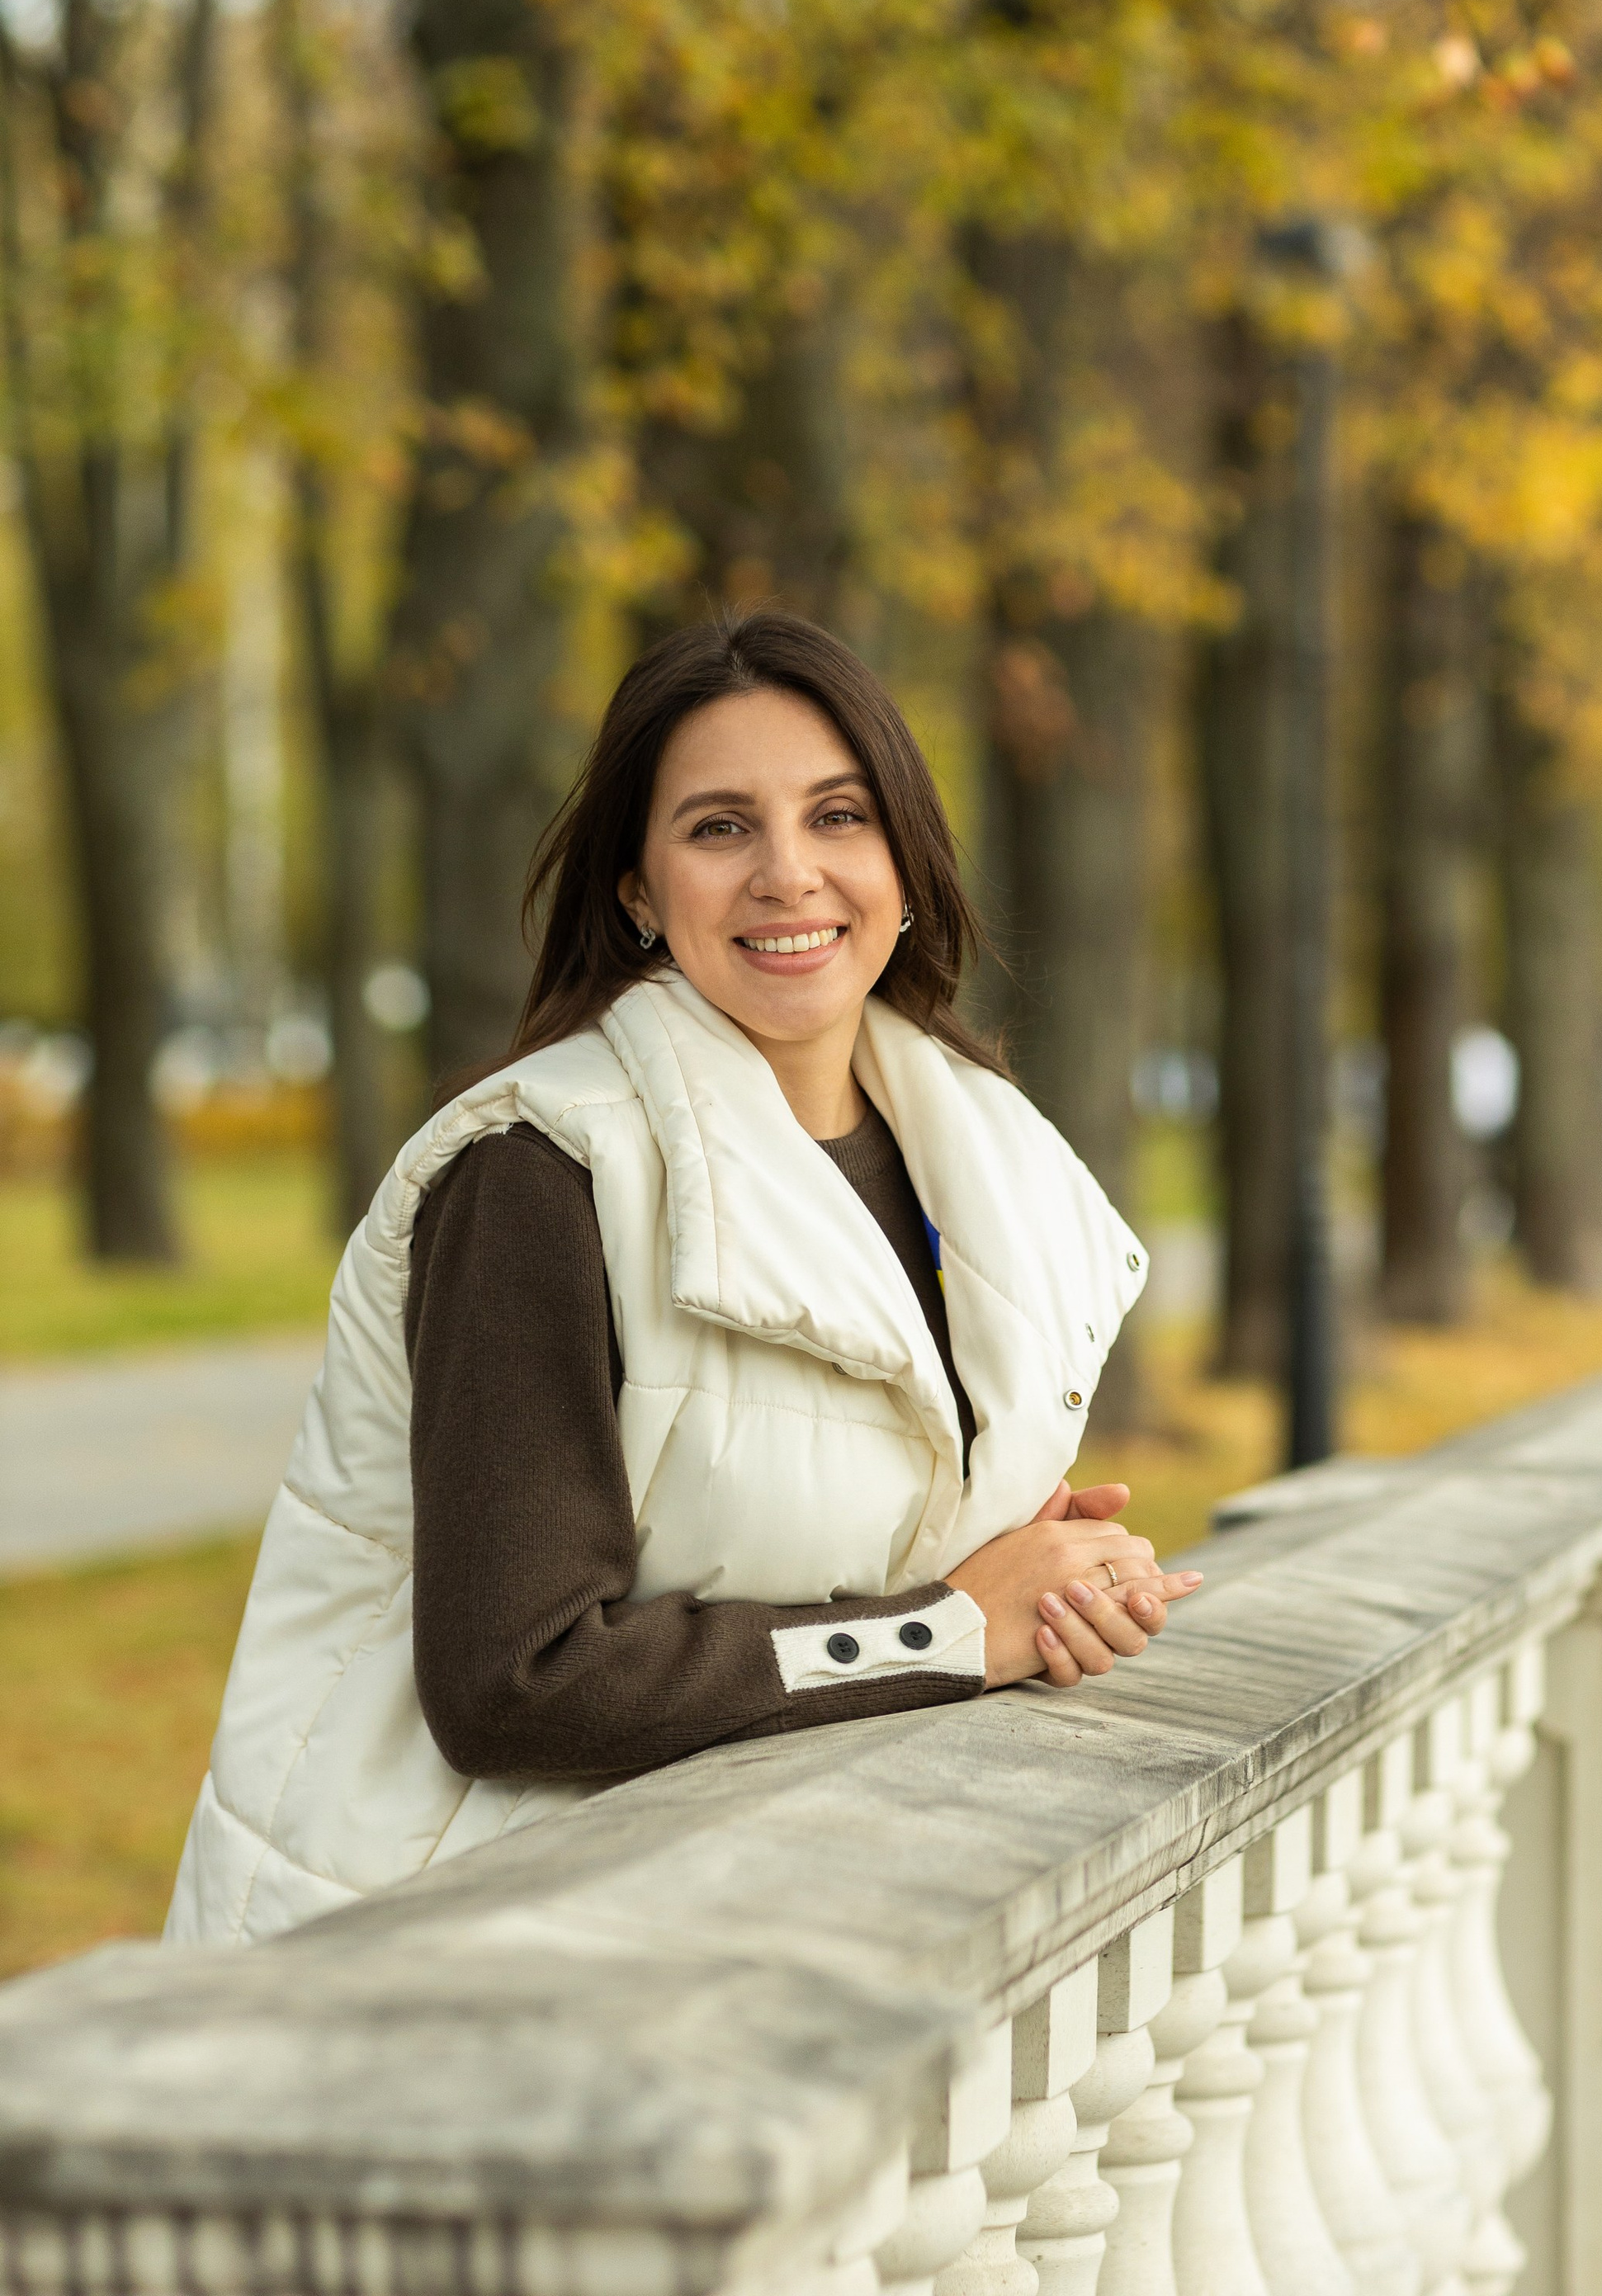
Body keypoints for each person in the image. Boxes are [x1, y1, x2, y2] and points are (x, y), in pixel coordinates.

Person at [167, 613, 1198, 1946]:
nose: (789, 873)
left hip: (747, 1919)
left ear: (903, 857)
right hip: (455, 1950)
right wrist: (949, 1627)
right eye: (720, 829)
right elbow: (514, 1682)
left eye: (839, 816)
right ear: (638, 891)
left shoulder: (966, 1149)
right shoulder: (538, 1173)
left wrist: (1024, 1563)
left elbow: (794, 1524)